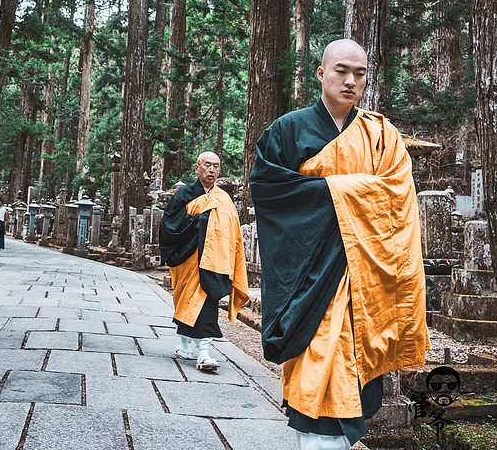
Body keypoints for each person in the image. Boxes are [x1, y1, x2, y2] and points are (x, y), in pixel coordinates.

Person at [249, 39, 429, 450]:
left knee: (353, 381)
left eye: (360, 73)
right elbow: (268, 189)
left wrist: (333, 190)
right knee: (316, 378)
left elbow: (398, 197)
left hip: (365, 279)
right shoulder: (288, 130)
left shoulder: (382, 136)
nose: (351, 81)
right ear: (321, 74)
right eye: (341, 71)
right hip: (312, 278)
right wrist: (347, 189)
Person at [158, 151, 250, 371]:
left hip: (213, 261)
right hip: (188, 257)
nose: (211, 170)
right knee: (184, 299)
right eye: (207, 165)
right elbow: (169, 225)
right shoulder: (183, 195)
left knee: (206, 301)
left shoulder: (223, 199)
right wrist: (197, 222)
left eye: (216, 166)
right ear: (197, 167)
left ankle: (205, 352)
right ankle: (184, 344)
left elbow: (233, 232)